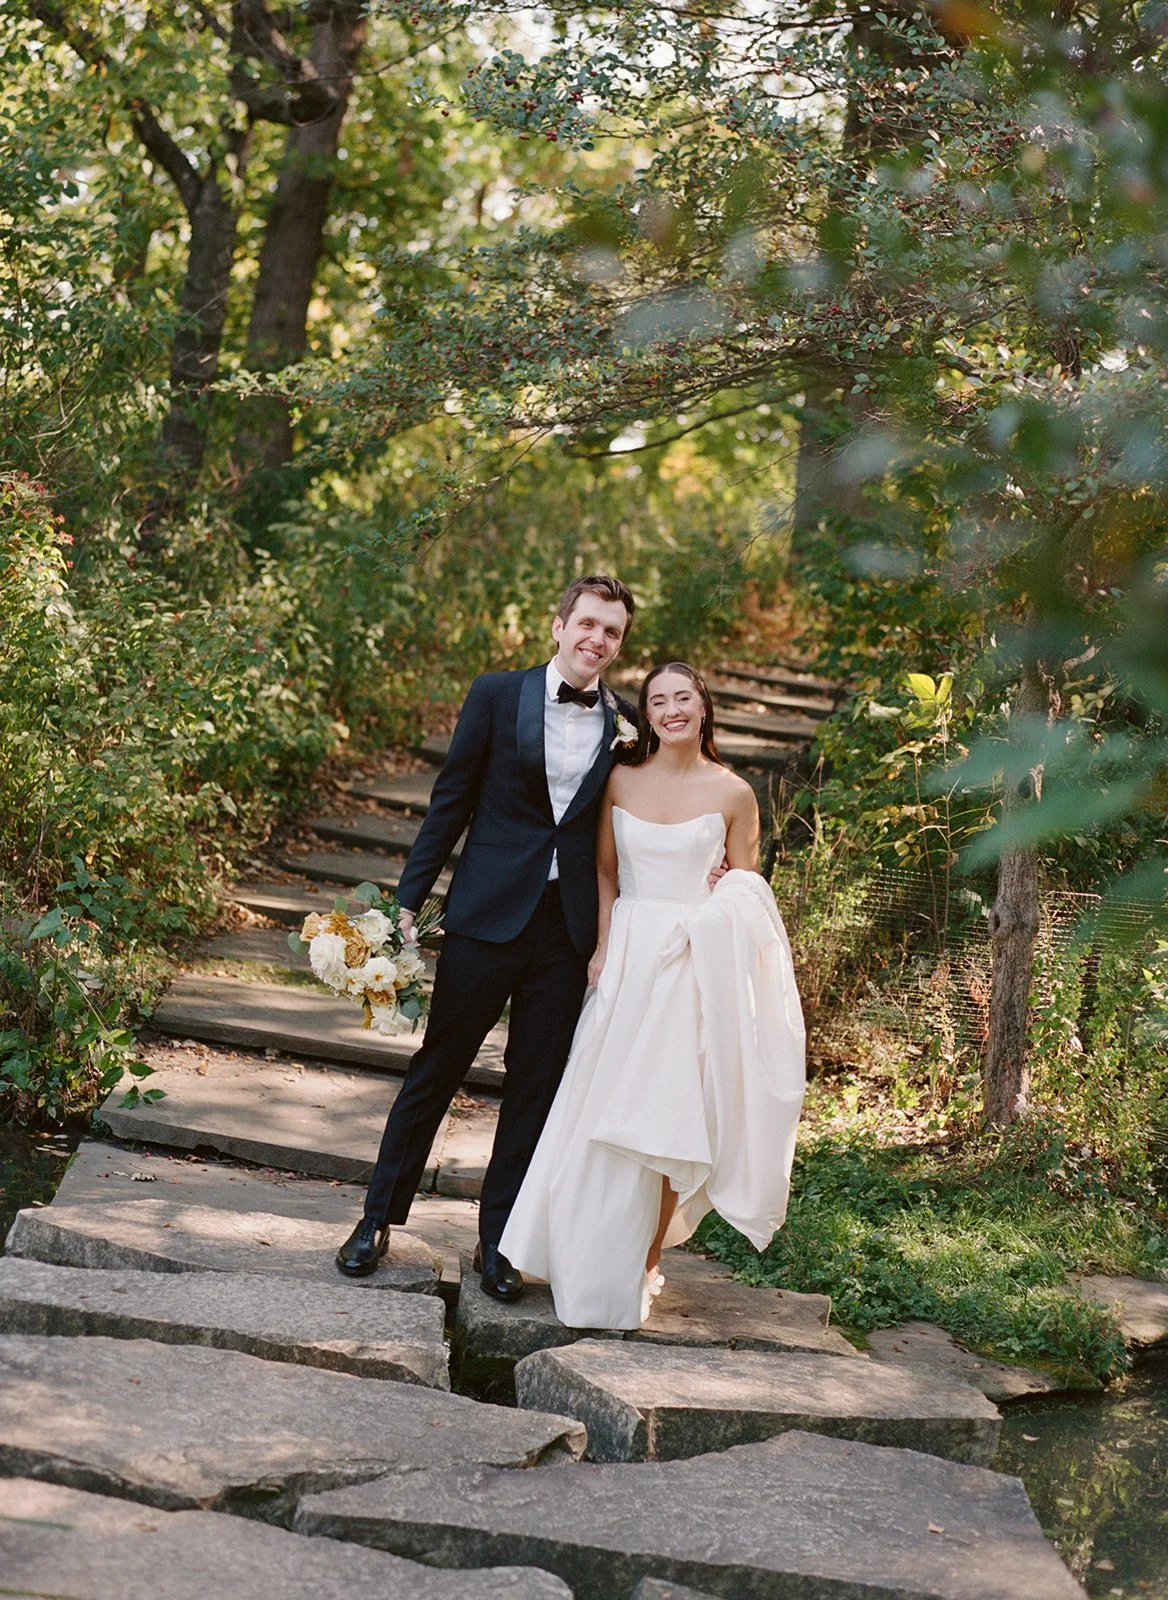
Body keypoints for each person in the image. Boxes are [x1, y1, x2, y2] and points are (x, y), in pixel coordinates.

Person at [335, 574, 639, 1301]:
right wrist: (407, 902)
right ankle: (376, 1219)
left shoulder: (626, 725)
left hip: (566, 932)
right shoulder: (497, 695)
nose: (597, 639)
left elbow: (633, 822)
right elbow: (451, 803)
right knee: (436, 1068)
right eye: (588, 623)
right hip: (486, 914)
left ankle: (499, 1240)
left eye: (612, 632)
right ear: (559, 625)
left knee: (534, 1088)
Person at [500, 662, 806, 1329]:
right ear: (647, 714)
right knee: (598, 1098)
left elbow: (748, 892)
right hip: (629, 951)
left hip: (691, 962)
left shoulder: (735, 794)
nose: (672, 710)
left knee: (670, 1113)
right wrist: (603, 948)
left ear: (704, 707)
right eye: (659, 700)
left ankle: (644, 1260)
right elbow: (605, 874)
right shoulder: (621, 779)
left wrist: (722, 892)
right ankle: (571, 1248)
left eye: (683, 698)